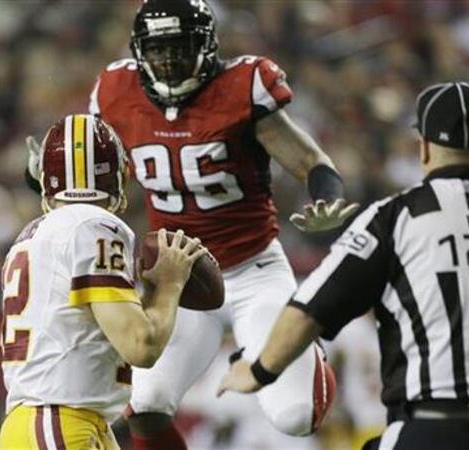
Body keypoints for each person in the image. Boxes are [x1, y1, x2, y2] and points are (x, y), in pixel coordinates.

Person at [23, 1, 358, 448]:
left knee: (296, 417)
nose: (167, 61)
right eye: (158, 51)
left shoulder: (242, 87)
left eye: (179, 49)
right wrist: (41, 172)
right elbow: (93, 169)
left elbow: (311, 162)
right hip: (178, 277)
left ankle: (303, 353)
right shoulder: (116, 90)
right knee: (146, 405)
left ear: (207, 47)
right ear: (139, 52)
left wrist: (327, 197)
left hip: (252, 269)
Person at [218, 82, 469, 450]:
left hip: (436, 427)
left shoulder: (394, 219)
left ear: (425, 146)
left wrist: (257, 371)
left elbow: (308, 310)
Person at [0, 114, 206, 449]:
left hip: (58, 422)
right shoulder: (94, 227)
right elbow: (142, 345)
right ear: (117, 176)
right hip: (59, 423)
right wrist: (168, 283)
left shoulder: (33, 235)